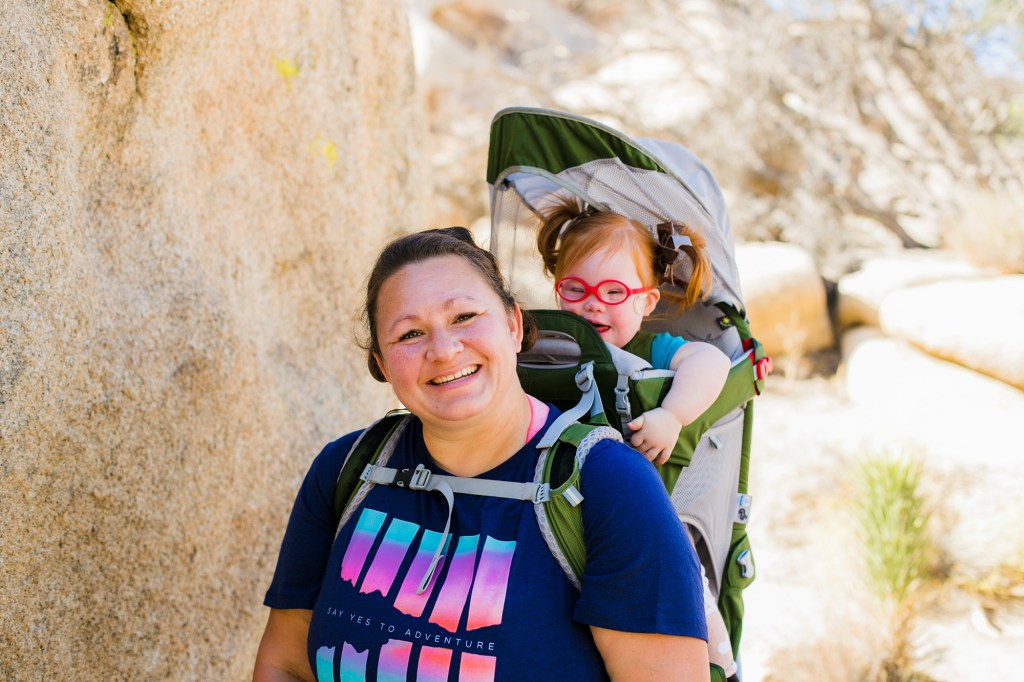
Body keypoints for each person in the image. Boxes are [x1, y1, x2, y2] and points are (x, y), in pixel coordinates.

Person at [253, 227, 710, 682]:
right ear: (381, 364)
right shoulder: (348, 468)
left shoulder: (609, 486)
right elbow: (285, 663)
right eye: (410, 333)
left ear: (514, 325)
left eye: (465, 317)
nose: (444, 350)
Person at [536, 199, 738, 680]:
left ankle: (718, 663)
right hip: (557, 501)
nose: (591, 304)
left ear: (646, 301)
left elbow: (711, 366)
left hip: (645, 513)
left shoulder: (654, 349)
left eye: (612, 291)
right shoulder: (550, 342)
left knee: (681, 582)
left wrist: (672, 414)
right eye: (575, 288)